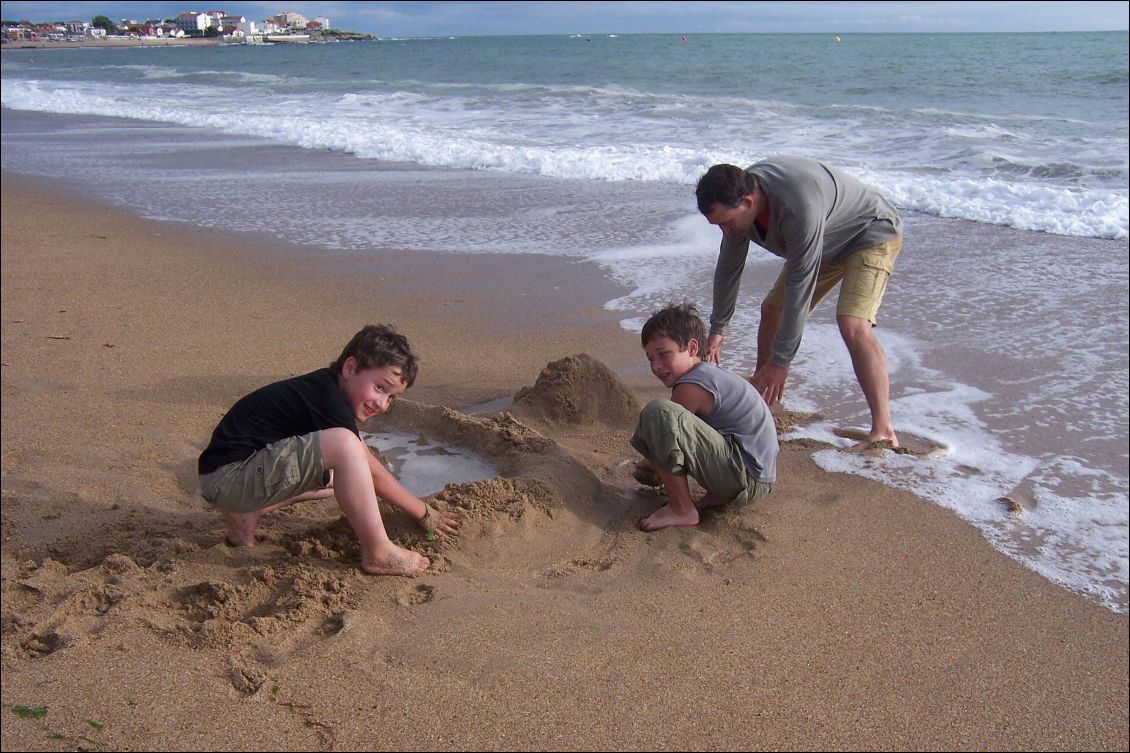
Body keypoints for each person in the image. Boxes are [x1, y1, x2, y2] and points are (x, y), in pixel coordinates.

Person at [197, 324, 459, 576]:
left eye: (391, 397)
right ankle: (378, 552)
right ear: (350, 367)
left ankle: (246, 514)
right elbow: (368, 466)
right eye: (380, 387)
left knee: (347, 478)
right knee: (347, 446)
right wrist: (421, 510)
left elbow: (364, 473)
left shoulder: (325, 390)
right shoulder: (328, 400)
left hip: (232, 479)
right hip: (231, 476)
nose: (382, 403)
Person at [695, 157, 903, 450]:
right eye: (718, 225)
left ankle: (883, 430)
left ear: (748, 200)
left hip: (869, 233)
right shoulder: (737, 206)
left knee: (852, 324)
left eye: (727, 223)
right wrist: (718, 329)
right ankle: (763, 405)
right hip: (825, 242)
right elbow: (729, 267)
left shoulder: (796, 207)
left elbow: (799, 287)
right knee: (772, 311)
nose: (725, 231)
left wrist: (781, 361)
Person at [630, 303, 778, 532]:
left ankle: (681, 509)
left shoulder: (692, 386)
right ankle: (716, 495)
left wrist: (651, 465)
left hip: (747, 479)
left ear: (691, 347)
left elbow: (668, 434)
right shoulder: (709, 375)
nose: (656, 366)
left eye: (663, 354)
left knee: (658, 413)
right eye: (650, 359)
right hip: (754, 477)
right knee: (665, 422)